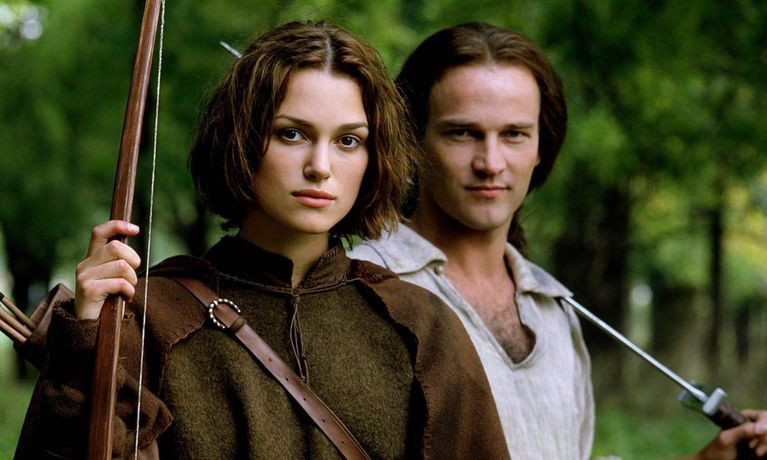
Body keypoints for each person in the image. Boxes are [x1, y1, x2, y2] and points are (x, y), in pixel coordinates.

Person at [14, 21, 509, 459]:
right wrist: (85, 341)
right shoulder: (149, 316)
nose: (320, 167)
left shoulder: (420, 324)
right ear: (242, 139)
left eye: (348, 140)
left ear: (373, 156)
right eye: (292, 134)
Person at [348, 22, 767, 459]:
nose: (490, 163)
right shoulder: (365, 288)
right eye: (463, 133)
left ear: (540, 148)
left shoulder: (553, 309)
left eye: (514, 134)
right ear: (412, 141)